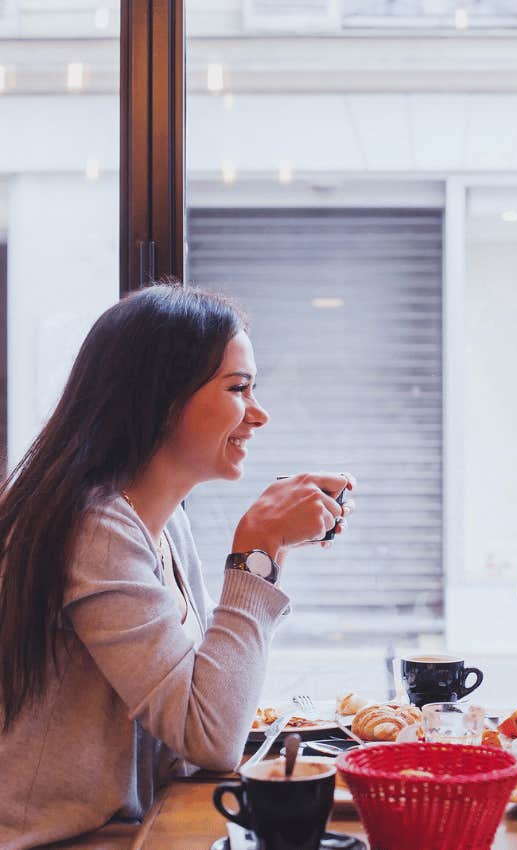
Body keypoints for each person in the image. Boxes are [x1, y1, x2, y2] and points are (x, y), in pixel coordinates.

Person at [0, 284, 355, 849]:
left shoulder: (164, 523)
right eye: (238, 388)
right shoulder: (93, 527)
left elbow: (199, 704)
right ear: (159, 398)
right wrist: (256, 551)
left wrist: (269, 550)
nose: (259, 414)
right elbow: (208, 734)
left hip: (128, 827)